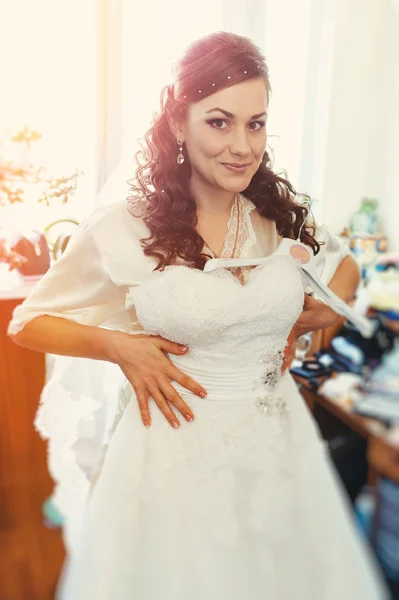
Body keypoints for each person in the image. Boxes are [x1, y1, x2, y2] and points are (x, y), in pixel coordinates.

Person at [9, 31, 387, 599]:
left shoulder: (278, 218)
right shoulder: (123, 227)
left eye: (255, 123)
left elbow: (347, 268)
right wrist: (120, 346)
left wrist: (302, 321)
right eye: (219, 121)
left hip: (274, 446)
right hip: (171, 453)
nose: (242, 145)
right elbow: (28, 323)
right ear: (178, 122)